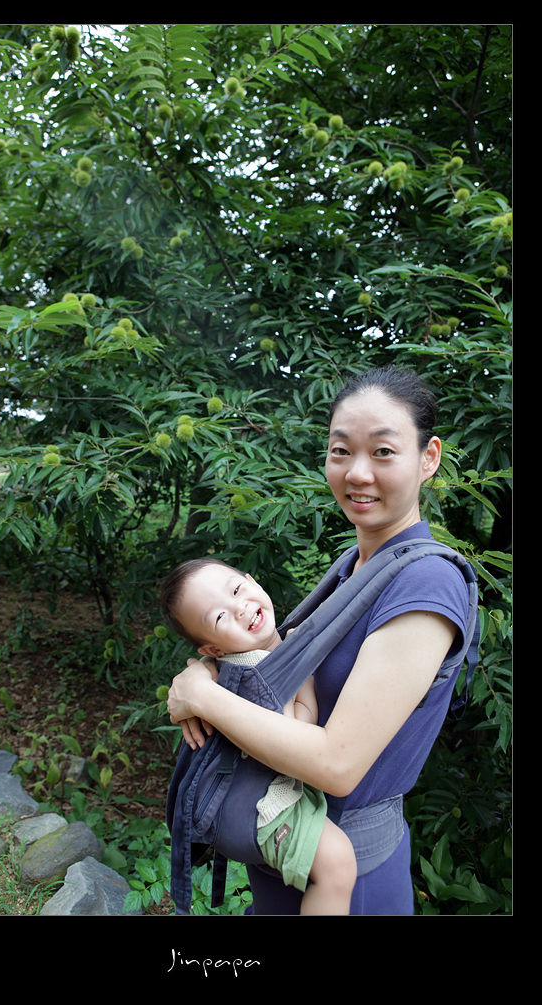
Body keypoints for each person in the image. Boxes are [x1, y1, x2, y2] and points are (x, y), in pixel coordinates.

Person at [166, 365, 474, 915]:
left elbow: (338, 765)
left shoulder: (425, 583)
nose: (357, 472)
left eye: (383, 451)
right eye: (341, 451)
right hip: (288, 862)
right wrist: (207, 671)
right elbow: (275, 662)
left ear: (428, 458)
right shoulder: (355, 566)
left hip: (351, 881)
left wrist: (204, 697)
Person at [161, 556, 358, 915]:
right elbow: (298, 734)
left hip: (247, 801)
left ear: (253, 580)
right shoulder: (255, 672)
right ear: (213, 650)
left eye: (237, 590)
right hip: (264, 808)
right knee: (338, 864)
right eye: (219, 617)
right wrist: (305, 667)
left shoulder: (238, 663)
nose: (239, 608)